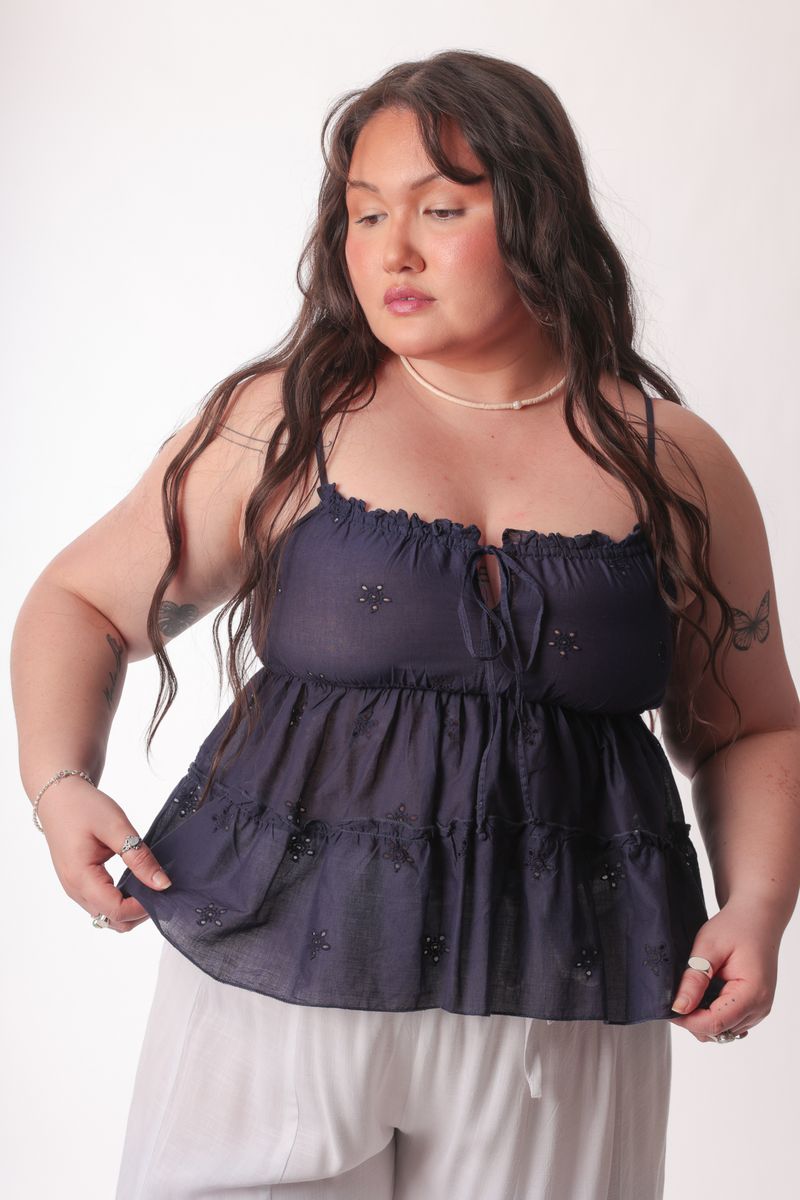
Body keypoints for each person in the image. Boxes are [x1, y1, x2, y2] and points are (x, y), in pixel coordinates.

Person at [11, 50, 800, 1200]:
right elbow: (80, 602)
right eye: (365, 211)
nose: (392, 249)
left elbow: (750, 723)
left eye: (439, 209)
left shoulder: (668, 460)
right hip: (278, 976)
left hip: (555, 1000)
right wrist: (57, 784)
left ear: (537, 214)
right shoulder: (287, 423)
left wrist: (756, 906)